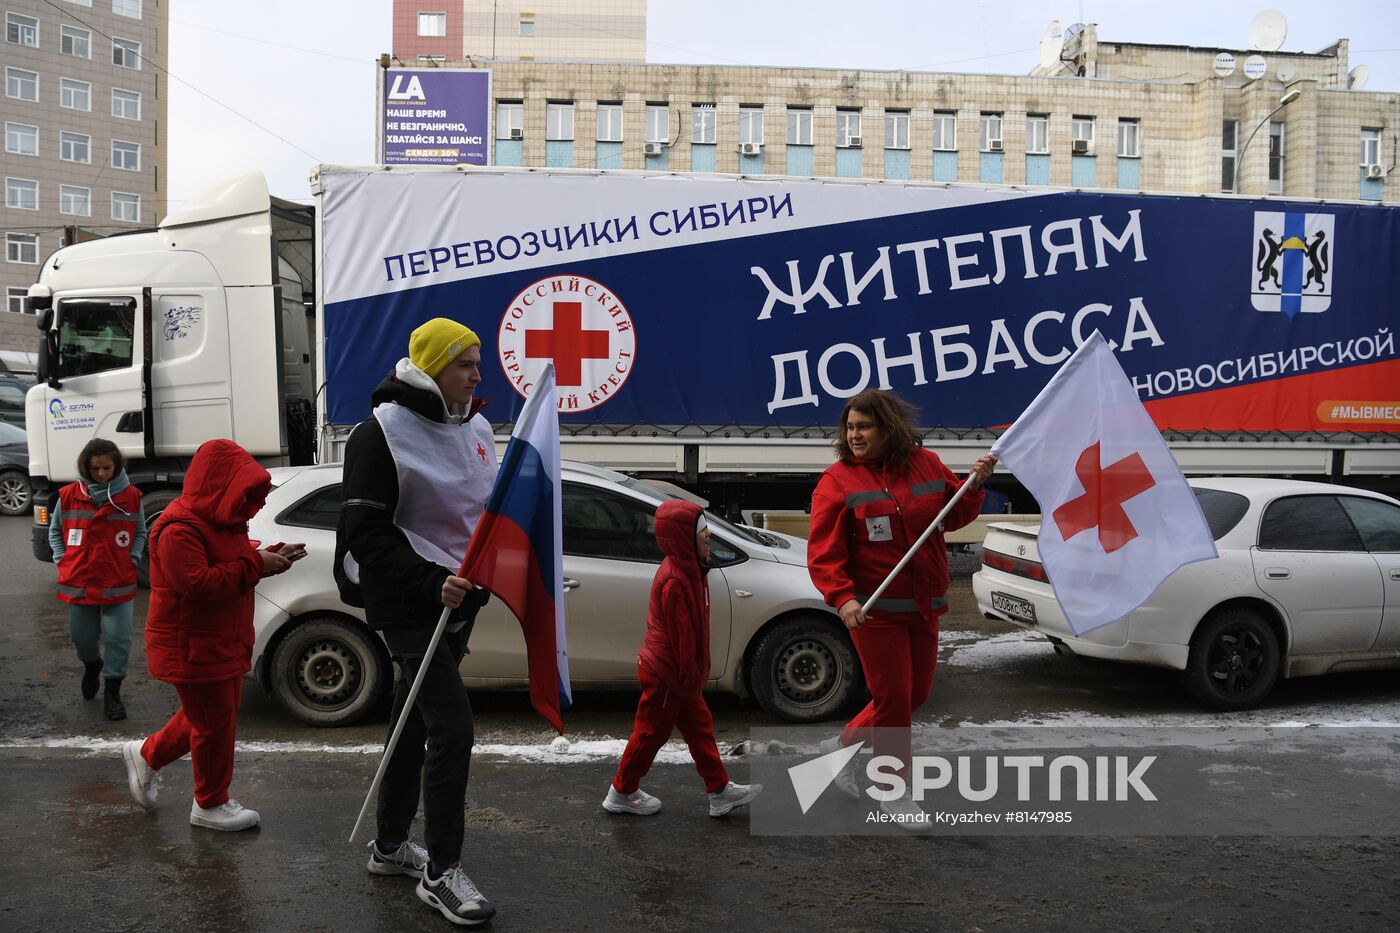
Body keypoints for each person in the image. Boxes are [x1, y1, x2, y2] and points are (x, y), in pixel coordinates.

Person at [339, 317, 498, 926]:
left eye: (478, 362)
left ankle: (387, 846)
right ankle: (441, 874)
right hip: (409, 602)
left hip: (459, 600)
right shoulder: (378, 433)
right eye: (465, 363)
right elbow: (366, 531)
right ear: (432, 368)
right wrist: (432, 582)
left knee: (412, 721)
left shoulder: (475, 426)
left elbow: (482, 509)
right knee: (452, 728)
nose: (477, 374)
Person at [806, 389, 996, 824]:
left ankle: (841, 747)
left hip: (924, 604)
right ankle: (893, 791)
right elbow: (823, 553)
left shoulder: (925, 465)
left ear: (888, 428)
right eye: (850, 427)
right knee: (892, 702)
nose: (854, 435)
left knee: (915, 696)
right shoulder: (837, 482)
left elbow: (952, 514)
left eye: (864, 427)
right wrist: (843, 597)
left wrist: (975, 485)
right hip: (873, 612)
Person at [118, 438, 301, 830]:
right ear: (220, 484)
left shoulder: (223, 520)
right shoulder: (177, 528)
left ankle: (148, 755)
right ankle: (210, 803)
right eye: (244, 491)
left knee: (213, 716)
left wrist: (270, 554)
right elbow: (198, 583)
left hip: (220, 639)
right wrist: (257, 564)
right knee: (214, 722)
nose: (251, 502)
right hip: (192, 644)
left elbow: (229, 559)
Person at [604, 499, 762, 819]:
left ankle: (719, 790)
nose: (708, 537)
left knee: (699, 728)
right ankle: (621, 791)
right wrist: (691, 675)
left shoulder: (691, 569)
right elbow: (682, 638)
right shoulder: (676, 578)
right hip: (668, 673)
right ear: (684, 538)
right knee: (651, 733)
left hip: (680, 672)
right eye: (702, 532)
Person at [50, 438, 146, 721]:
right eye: (96, 469)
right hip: (78, 580)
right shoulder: (68, 495)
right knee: (83, 639)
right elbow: (55, 532)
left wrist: (133, 560)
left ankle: (112, 692)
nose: (102, 474)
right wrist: (61, 559)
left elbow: (140, 533)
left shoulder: (131, 496)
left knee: (119, 639)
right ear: (86, 467)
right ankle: (91, 665)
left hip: (118, 581)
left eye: (107, 468)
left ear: (116, 466)